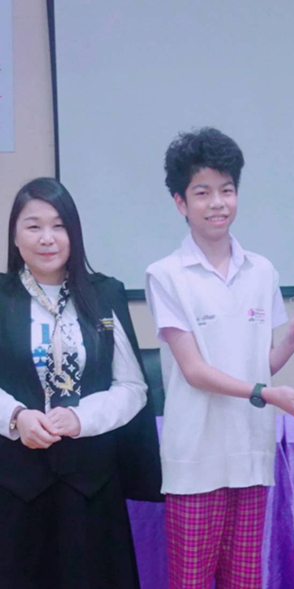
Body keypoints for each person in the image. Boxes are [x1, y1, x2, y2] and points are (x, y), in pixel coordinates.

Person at [145, 127, 294, 589]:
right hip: (195, 455)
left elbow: (261, 363)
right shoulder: (165, 275)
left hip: (250, 450)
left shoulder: (261, 270)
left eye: (226, 190)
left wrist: (290, 343)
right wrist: (266, 393)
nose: (217, 203)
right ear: (180, 203)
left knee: (244, 581)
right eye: (202, 192)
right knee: (191, 582)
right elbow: (195, 371)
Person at [0, 177, 161, 588]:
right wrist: (15, 416)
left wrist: (81, 418)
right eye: (33, 226)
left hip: (91, 486)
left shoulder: (104, 294)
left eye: (59, 225)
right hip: (15, 486)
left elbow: (132, 387)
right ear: (15, 236)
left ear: (75, 233)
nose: (47, 238)